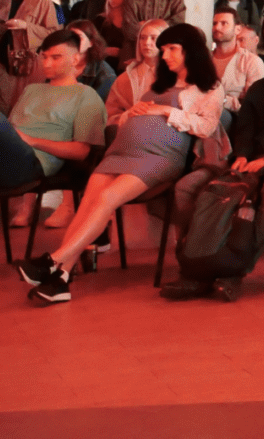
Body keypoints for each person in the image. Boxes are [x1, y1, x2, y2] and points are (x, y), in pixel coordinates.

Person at [20, 25, 224, 304]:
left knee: (107, 198)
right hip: (122, 151)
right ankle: (61, 278)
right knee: (89, 201)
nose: (164, 56)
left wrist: (166, 110)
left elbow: (206, 126)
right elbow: (129, 116)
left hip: (159, 156)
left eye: (171, 49)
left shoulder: (209, 87)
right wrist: (132, 113)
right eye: (163, 50)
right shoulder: (159, 82)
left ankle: (54, 260)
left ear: (191, 51)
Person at [163, 9, 264, 301]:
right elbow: (245, 128)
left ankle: (235, 268)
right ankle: (198, 265)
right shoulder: (260, 87)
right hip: (251, 158)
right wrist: (241, 154)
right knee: (187, 186)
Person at [0, 31, 104, 241]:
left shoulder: (86, 96)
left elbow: (82, 152)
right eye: (44, 57)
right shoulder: (32, 90)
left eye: (55, 57)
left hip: (30, 165)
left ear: (75, 59)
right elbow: (10, 128)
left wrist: (32, 141)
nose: (46, 63)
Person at [211, 7, 264, 131]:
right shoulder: (203, 60)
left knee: (216, 113)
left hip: (235, 122)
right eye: (214, 23)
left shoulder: (251, 62)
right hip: (196, 116)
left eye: (224, 23)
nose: (217, 27)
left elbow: (253, 107)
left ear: (237, 29)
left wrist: (221, 100)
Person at [106, 20, 165, 133]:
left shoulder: (176, 76)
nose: (147, 43)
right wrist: (127, 115)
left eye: (153, 38)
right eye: (142, 38)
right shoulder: (126, 78)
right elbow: (109, 116)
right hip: (130, 133)